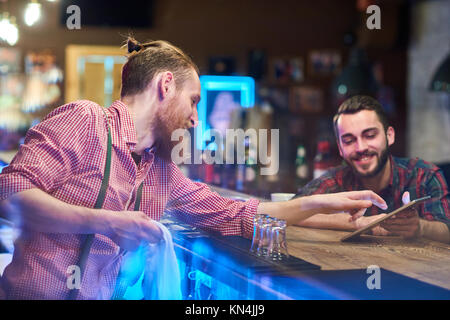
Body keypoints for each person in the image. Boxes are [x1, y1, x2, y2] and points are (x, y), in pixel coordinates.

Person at [0, 39, 386, 300]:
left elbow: (236, 213)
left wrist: (328, 207)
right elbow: (8, 192)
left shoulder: (159, 170)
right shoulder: (85, 121)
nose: (195, 118)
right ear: (166, 85)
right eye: (194, 100)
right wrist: (107, 222)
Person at [295, 95, 450, 243]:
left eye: (369, 135)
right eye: (349, 140)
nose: (361, 148)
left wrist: (420, 227)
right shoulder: (334, 180)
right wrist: (358, 223)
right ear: (340, 148)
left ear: (389, 136)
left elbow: (446, 230)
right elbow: (291, 211)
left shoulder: (423, 175)